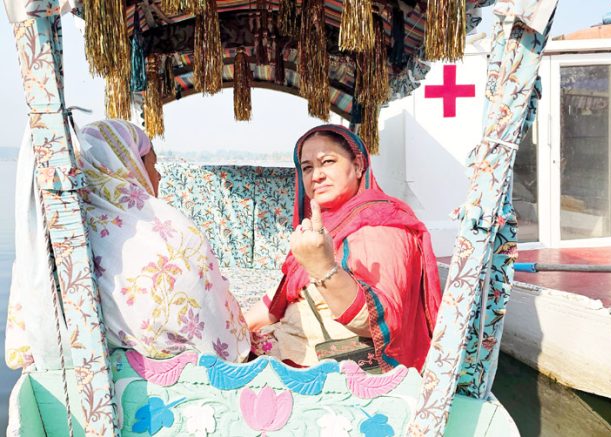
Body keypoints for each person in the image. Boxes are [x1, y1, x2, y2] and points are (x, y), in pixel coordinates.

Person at [244, 124, 441, 372]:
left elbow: (376, 321)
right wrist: (236, 328)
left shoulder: (379, 224)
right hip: (291, 348)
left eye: (327, 162)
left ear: (358, 165)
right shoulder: (329, 225)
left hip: (332, 373)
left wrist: (322, 267)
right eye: (307, 168)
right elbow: (281, 298)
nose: (316, 175)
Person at [76, 119, 250, 360]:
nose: (158, 176)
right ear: (130, 166)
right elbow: (223, 337)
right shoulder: (174, 235)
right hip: (195, 375)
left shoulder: (74, 237)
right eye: (152, 164)